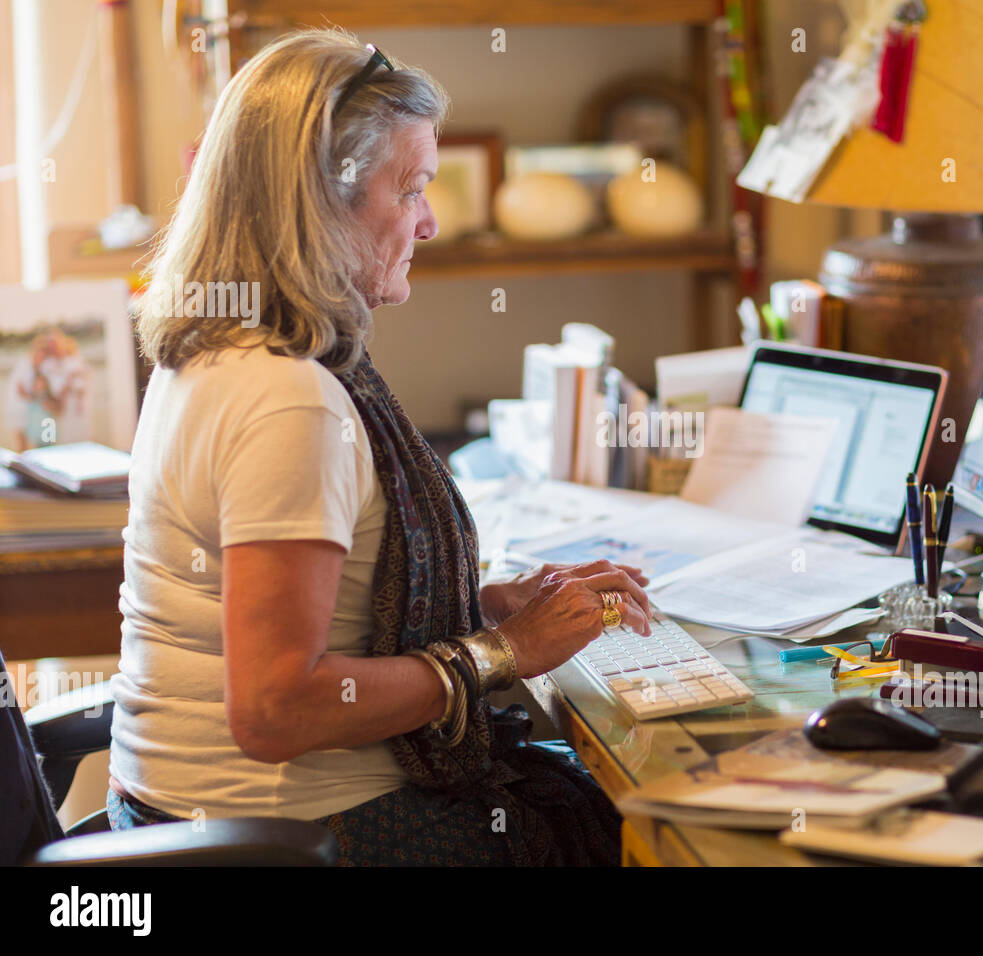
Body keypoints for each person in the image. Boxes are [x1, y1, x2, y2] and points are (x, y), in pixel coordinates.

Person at [108, 28, 653, 866]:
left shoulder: (221, 348)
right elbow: (275, 709)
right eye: (412, 189)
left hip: (186, 818)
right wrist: (505, 653)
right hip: (290, 837)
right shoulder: (285, 398)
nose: (429, 223)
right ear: (324, 200)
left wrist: (498, 604)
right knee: (646, 828)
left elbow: (325, 617)